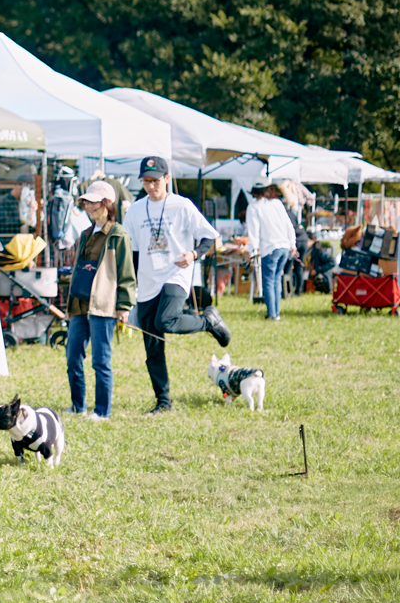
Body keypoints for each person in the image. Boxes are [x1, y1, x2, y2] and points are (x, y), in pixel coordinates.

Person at [123, 156, 232, 414]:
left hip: (176, 275)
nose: (151, 186)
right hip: (147, 282)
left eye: (155, 181)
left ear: (167, 179)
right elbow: (134, 252)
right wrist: (133, 286)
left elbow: (209, 237)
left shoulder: (182, 206)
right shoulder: (136, 210)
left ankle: (208, 321)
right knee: (152, 346)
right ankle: (163, 401)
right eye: (146, 181)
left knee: (166, 320)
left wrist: (193, 255)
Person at [64, 180, 135, 420]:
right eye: (87, 202)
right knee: (73, 357)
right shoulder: (85, 234)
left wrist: (123, 306)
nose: (89, 206)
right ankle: (77, 406)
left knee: (100, 361)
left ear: (107, 204)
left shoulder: (119, 234)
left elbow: (127, 273)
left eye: (94, 201)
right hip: (79, 305)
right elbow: (77, 270)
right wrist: (69, 306)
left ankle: (102, 412)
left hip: (104, 306)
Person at [245, 183, 297, 320]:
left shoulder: (253, 207)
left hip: (269, 248)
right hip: (284, 246)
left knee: (268, 281)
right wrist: (292, 243)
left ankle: (272, 314)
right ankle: (276, 313)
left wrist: (252, 250)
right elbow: (288, 224)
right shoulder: (277, 204)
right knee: (276, 280)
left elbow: (253, 232)